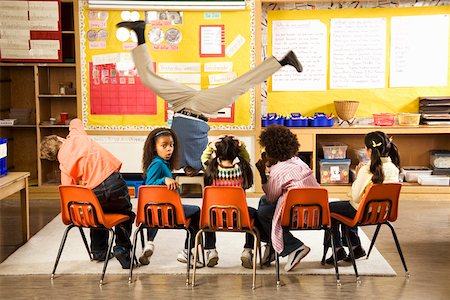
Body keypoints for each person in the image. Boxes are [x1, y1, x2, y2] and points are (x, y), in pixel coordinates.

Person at [116, 20, 303, 177]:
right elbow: (207, 160)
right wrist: (197, 168)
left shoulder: (175, 160)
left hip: (181, 104)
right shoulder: (200, 159)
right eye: (191, 172)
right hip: (200, 107)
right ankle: (282, 61)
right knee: (239, 86)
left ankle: (139, 33)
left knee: (149, 80)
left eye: (188, 172)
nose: (189, 172)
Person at [39, 119, 135, 269]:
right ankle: (122, 247)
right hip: (114, 182)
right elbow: (76, 121)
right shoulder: (76, 136)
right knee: (126, 213)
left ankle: (98, 251)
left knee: (96, 216)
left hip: (94, 192)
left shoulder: (64, 166)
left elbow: (68, 190)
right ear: (59, 139)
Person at [325, 131, 400, 265]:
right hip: (382, 213)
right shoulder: (393, 168)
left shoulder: (367, 169)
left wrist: (358, 175)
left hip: (363, 213)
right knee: (345, 209)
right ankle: (355, 247)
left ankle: (337, 249)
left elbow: (356, 196)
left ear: (370, 150)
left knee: (329, 209)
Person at [255, 124, 320, 272]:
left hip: (297, 213)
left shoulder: (278, 170)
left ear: (271, 150)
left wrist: (262, 173)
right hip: (314, 210)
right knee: (263, 202)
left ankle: (294, 247)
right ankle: (272, 247)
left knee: (263, 212)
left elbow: (272, 196)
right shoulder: (298, 161)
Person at [140, 127, 203, 267]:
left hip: (155, 212)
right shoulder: (157, 164)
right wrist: (164, 180)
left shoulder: (161, 163)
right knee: (197, 212)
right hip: (167, 212)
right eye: (164, 146)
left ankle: (149, 243)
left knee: (156, 208)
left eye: (171, 145)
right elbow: (148, 188)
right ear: (154, 148)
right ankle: (187, 251)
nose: (169, 149)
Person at [201, 135, 256, 268]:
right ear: (236, 152)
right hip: (239, 217)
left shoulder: (212, 169)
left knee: (206, 214)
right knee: (255, 215)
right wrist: (241, 144)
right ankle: (248, 250)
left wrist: (210, 146)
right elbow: (247, 158)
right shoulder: (241, 168)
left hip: (215, 217)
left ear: (217, 152)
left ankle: (211, 250)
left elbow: (204, 159)